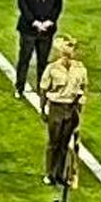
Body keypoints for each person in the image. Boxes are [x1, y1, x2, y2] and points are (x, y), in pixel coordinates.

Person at [39, 36, 87, 186]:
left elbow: (84, 87)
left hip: (71, 107)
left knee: (65, 143)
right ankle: (49, 173)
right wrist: (43, 108)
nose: (69, 52)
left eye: (71, 48)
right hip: (56, 106)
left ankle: (60, 173)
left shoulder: (80, 68)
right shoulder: (52, 68)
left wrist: (81, 103)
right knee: (54, 142)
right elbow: (44, 89)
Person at [15, 0, 63, 98]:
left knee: (43, 61)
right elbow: (22, 4)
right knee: (25, 59)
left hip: (47, 30)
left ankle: (41, 87)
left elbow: (58, 4)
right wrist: (34, 22)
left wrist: (50, 21)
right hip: (29, 29)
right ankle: (19, 87)